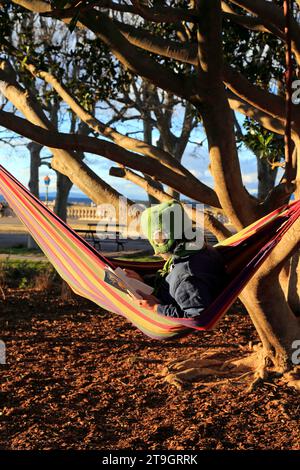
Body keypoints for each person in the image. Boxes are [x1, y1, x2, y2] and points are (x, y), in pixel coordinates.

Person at [124, 200, 227, 318]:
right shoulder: (196, 250)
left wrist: (156, 308)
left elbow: (197, 315)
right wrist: (142, 280)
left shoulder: (187, 276)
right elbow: (172, 278)